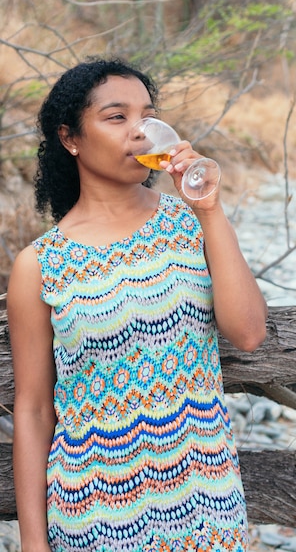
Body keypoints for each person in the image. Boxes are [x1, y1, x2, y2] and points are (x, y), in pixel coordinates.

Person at [7, 57, 268, 552]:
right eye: (115, 117)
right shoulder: (40, 265)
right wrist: (33, 544)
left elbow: (249, 332)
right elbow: (36, 409)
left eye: (146, 116)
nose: (139, 132)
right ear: (70, 139)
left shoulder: (190, 223)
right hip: (94, 514)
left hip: (205, 503)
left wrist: (209, 210)